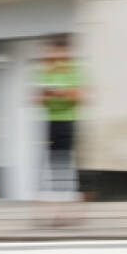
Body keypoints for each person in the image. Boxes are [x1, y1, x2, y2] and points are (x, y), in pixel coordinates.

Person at [36, 35, 84, 225]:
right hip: (51, 123)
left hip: (69, 122)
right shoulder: (46, 73)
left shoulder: (73, 72)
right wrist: (50, 95)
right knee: (54, 168)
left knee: (68, 168)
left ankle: (69, 210)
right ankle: (59, 212)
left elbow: (80, 96)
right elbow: (37, 99)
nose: (53, 56)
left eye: (57, 52)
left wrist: (60, 93)